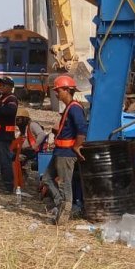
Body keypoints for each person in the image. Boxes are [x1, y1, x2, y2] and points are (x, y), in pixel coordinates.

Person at [42, 75, 87, 224]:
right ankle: (62, 204)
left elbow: (82, 130)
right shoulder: (69, 108)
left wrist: (76, 146)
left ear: (67, 90)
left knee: (64, 185)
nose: (56, 93)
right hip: (59, 152)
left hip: (66, 154)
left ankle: (63, 218)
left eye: (58, 90)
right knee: (47, 178)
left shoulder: (74, 108)